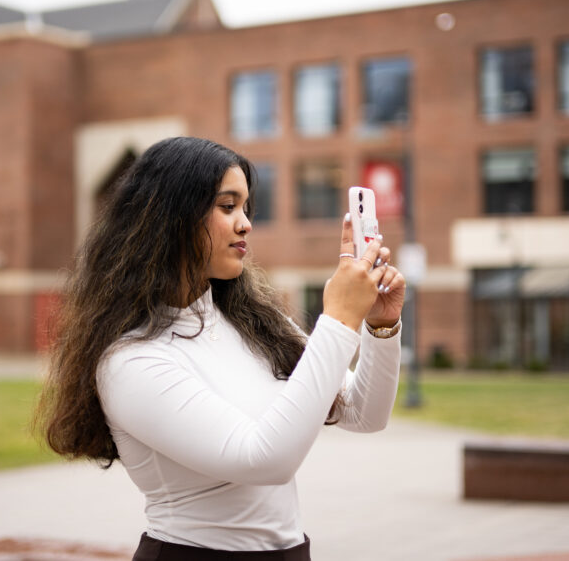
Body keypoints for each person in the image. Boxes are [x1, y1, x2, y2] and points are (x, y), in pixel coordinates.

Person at [35, 137, 404, 560]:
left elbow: (362, 413)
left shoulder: (255, 323)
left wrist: (380, 324)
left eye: (246, 208)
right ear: (171, 217)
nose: (245, 223)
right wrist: (338, 320)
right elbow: (264, 460)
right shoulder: (130, 360)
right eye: (227, 207)